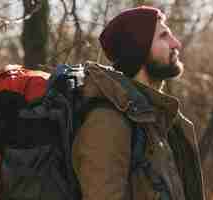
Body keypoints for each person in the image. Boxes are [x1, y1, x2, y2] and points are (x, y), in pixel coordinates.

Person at [72, 6, 205, 200]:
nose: (176, 43)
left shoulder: (163, 119)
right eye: (163, 36)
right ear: (139, 50)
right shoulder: (108, 122)